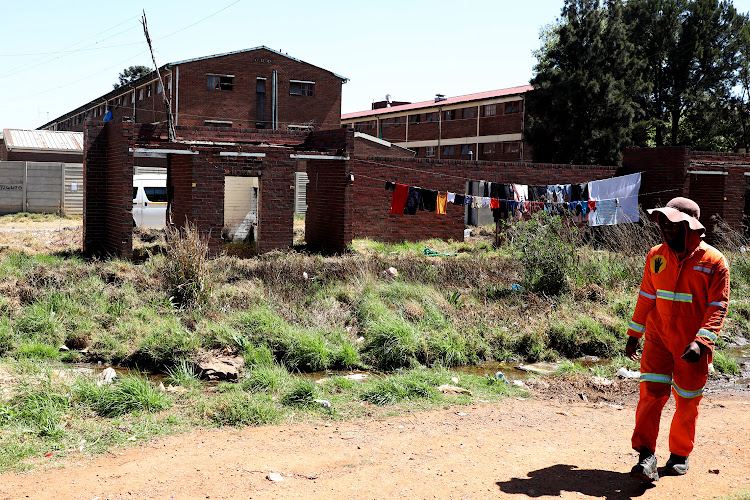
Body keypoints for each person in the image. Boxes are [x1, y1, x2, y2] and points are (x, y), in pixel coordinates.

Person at [625, 197, 729, 482]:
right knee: (650, 394)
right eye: (663, 222)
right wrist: (634, 334)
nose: (666, 228)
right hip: (657, 338)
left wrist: (702, 342)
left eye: (673, 224)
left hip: (690, 345)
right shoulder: (656, 256)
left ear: (691, 227)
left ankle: (679, 455)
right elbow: (647, 296)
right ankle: (646, 455)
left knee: (687, 401)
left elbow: (717, 307)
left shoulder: (715, 262)